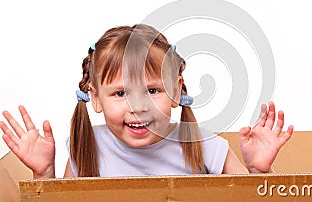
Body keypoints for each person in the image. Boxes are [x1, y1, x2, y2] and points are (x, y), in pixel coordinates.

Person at [0, 24, 293, 178]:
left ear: (176, 91)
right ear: (95, 98)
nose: (138, 106)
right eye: (120, 93)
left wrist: (258, 172)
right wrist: (44, 173)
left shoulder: (205, 147)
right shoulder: (85, 149)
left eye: (153, 91)